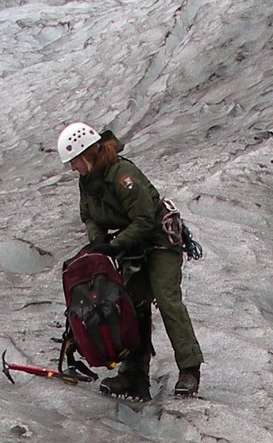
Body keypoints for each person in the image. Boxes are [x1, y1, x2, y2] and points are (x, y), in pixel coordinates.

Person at [56, 122, 203, 400]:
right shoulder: (88, 182)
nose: (73, 168)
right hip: (130, 244)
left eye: (74, 161)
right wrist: (99, 243)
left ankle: (189, 368)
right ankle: (134, 375)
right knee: (131, 306)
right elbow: (90, 216)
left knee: (166, 297)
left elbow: (145, 220)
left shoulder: (124, 174)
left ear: (87, 153)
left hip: (159, 240)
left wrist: (111, 245)